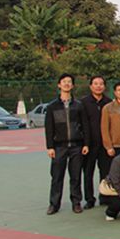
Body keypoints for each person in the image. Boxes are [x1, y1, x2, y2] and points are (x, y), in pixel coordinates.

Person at [45, 73, 91, 215]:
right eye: (64, 81)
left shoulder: (78, 105)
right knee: (57, 176)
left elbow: (85, 125)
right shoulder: (52, 106)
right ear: (59, 85)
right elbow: (49, 128)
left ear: (73, 85)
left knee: (76, 176)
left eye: (69, 82)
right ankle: (54, 204)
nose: (66, 84)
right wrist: (50, 146)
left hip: (77, 146)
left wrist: (86, 144)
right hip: (59, 147)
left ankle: (76, 202)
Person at [81, 75, 112, 209]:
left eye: (101, 84)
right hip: (89, 144)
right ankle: (89, 199)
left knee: (105, 172)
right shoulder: (83, 103)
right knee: (88, 172)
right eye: (95, 83)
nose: (98, 86)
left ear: (104, 87)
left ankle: (104, 196)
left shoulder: (109, 102)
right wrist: (85, 143)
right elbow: (82, 124)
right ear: (91, 86)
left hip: (105, 144)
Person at [101, 81, 120, 165]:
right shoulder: (107, 108)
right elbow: (104, 129)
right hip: (114, 146)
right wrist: (108, 147)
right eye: (119, 90)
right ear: (115, 92)